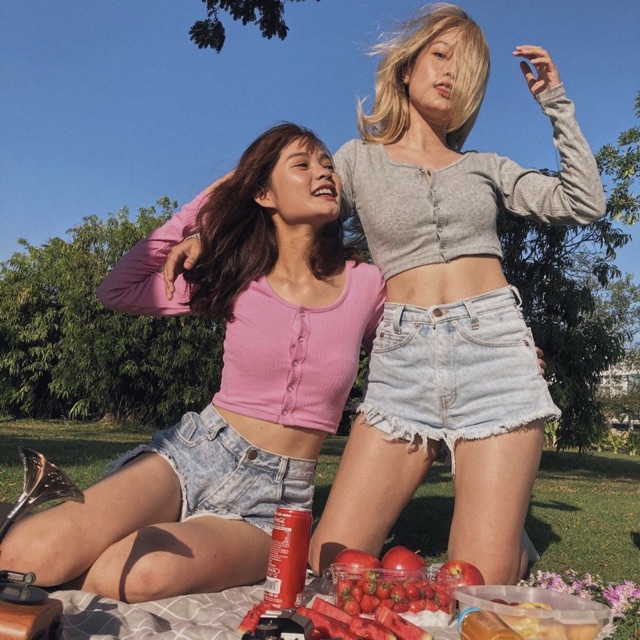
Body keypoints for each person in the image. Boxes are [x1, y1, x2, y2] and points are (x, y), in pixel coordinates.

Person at [164, 4, 605, 585]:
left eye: (467, 68)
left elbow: (584, 202)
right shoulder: (356, 161)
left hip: (495, 353)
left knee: (475, 582)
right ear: (405, 68)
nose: (451, 73)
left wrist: (556, 103)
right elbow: (279, 191)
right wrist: (207, 233)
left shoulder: (486, 167)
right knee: (328, 566)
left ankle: (506, 537)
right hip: (404, 363)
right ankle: (498, 523)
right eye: (440, 55)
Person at [0, 123, 385, 603]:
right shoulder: (236, 272)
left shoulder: (368, 283)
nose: (324, 172)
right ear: (263, 193)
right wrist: (209, 209)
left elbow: (409, 362)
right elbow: (117, 290)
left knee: (140, 574)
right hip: (194, 453)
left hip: (272, 501)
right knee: (29, 552)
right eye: (302, 164)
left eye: (328, 164)